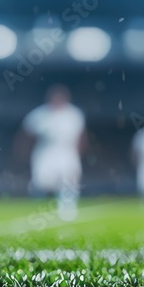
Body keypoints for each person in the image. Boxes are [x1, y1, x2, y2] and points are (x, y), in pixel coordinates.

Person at [18, 85, 86, 221]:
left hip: (67, 150)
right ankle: (39, 210)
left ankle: (67, 208)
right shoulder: (40, 114)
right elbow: (26, 134)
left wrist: (78, 154)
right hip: (46, 151)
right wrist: (23, 152)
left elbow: (81, 136)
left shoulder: (74, 114)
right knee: (42, 181)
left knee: (69, 180)